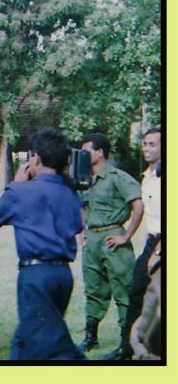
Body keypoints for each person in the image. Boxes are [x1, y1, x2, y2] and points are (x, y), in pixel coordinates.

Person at [0, 127, 85, 360]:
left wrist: (16, 185)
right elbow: (79, 224)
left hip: (36, 274)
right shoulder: (69, 192)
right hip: (63, 274)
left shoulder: (21, 191)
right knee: (32, 334)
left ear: (35, 158)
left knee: (44, 343)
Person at [77, 133, 143, 357]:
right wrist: (82, 231)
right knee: (93, 289)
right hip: (92, 241)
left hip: (113, 238)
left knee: (123, 290)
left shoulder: (118, 177)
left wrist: (126, 236)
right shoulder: (84, 178)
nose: (83, 155)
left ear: (100, 152)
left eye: (87, 150)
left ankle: (126, 344)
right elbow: (82, 205)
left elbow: (138, 206)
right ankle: (90, 338)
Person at [105, 127, 161, 360]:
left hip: (161, 244)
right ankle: (127, 349)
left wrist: (159, 251)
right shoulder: (148, 175)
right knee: (137, 293)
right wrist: (127, 236)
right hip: (152, 241)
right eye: (145, 144)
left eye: (152, 144)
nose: (146, 148)